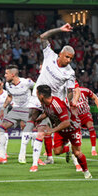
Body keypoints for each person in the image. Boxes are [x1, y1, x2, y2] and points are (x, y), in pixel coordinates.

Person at [20, 23, 80, 165]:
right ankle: (23, 154)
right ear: (60, 54)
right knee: (32, 118)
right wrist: (60, 29)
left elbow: (71, 91)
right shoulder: (49, 55)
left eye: (71, 58)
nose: (68, 60)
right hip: (37, 96)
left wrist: (64, 102)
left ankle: (57, 154)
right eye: (67, 57)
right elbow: (43, 37)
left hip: (53, 102)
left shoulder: (70, 72)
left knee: (49, 130)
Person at [32, 85, 92, 179]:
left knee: (77, 153)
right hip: (60, 130)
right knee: (57, 152)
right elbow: (48, 112)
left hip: (72, 128)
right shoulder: (44, 103)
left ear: (41, 95)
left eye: (37, 93)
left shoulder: (57, 104)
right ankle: (68, 149)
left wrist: (52, 130)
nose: (36, 95)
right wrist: (39, 119)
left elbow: (67, 122)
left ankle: (86, 172)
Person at [0, 65, 35, 164]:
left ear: (13, 74)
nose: (5, 76)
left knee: (31, 132)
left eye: (6, 74)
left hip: (27, 111)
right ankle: (2, 156)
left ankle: (31, 157)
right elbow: (9, 97)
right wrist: (3, 108)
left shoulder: (27, 82)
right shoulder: (8, 85)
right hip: (15, 110)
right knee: (0, 128)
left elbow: (38, 89)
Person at [76, 85, 98, 156]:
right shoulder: (69, 94)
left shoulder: (85, 90)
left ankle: (93, 149)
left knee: (91, 127)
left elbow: (95, 97)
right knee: (75, 133)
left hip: (85, 114)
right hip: (75, 116)